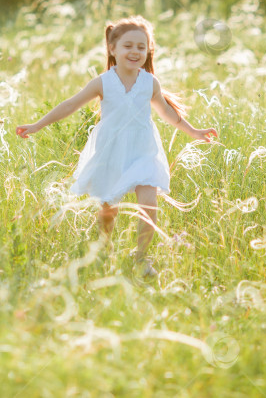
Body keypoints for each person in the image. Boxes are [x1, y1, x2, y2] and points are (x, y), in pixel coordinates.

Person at [16, 15, 218, 277]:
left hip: (143, 152)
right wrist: (37, 125)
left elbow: (168, 112)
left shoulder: (149, 83)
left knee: (149, 203)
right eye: (128, 46)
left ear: (148, 51)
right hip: (111, 151)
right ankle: (104, 251)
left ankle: (142, 258)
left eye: (141, 47)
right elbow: (70, 104)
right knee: (108, 210)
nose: (135, 52)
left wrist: (194, 132)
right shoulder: (103, 82)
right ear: (113, 49)